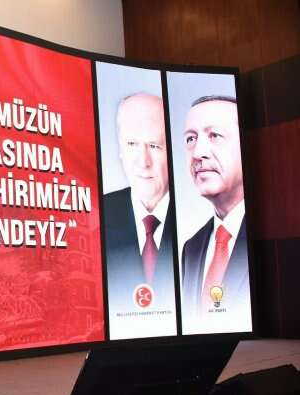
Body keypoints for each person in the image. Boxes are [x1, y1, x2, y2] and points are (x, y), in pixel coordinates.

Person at [180, 96, 249, 317]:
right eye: (191, 139)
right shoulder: (191, 249)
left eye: (215, 135)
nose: (198, 153)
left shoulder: (274, 236)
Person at [103, 93, 175, 299]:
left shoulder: (197, 220)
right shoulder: (98, 215)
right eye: (132, 144)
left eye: (154, 145)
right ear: (120, 149)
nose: (144, 162)